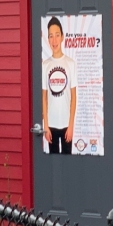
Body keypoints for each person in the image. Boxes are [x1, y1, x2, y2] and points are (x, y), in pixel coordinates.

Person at [41, 17, 77, 155]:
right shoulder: (45, 65)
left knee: (68, 164)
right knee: (54, 165)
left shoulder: (70, 63)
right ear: (48, 39)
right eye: (51, 36)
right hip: (51, 125)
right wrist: (46, 125)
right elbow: (44, 97)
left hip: (66, 125)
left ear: (62, 37)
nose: (54, 40)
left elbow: (73, 96)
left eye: (57, 35)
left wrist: (71, 125)